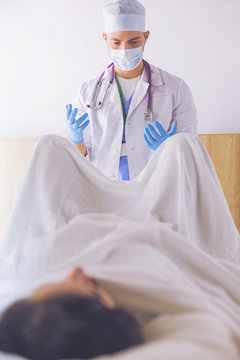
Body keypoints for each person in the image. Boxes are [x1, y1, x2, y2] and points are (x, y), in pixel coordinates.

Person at [0, 131, 239, 360]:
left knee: (48, 147)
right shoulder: (120, 326)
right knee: (184, 147)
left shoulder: (19, 285)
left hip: (80, 209)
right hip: (162, 222)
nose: (76, 272)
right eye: (92, 291)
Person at [66, 0, 198, 181]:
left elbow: (191, 154)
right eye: (116, 42)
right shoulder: (87, 93)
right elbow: (79, 157)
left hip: (156, 186)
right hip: (103, 190)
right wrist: (75, 139)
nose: (125, 49)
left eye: (134, 41)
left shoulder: (175, 89)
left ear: (146, 37)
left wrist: (169, 148)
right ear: (105, 38)